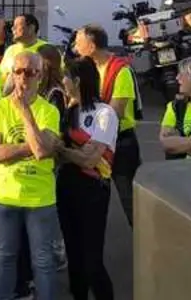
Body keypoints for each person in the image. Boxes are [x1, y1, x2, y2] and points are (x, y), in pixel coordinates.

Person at [0, 50, 61, 300]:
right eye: (17, 72)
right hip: (4, 196)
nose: (22, 78)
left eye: (29, 72)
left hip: (39, 198)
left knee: (43, 261)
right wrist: (33, 145)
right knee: (5, 257)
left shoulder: (49, 111)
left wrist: (25, 112)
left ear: (40, 76)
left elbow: (41, 151)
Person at [56, 59, 117, 300]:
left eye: (66, 77)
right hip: (66, 185)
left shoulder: (104, 113)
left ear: (77, 81)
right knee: (74, 257)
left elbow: (90, 160)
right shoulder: (69, 111)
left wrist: (63, 151)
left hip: (92, 189)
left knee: (92, 260)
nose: (63, 81)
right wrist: (71, 153)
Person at [76, 24, 141, 227]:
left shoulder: (121, 71)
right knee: (94, 199)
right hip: (94, 140)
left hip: (120, 143)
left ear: (92, 46)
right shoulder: (87, 69)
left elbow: (115, 113)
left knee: (131, 200)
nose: (75, 48)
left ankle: (145, 241)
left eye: (79, 43)